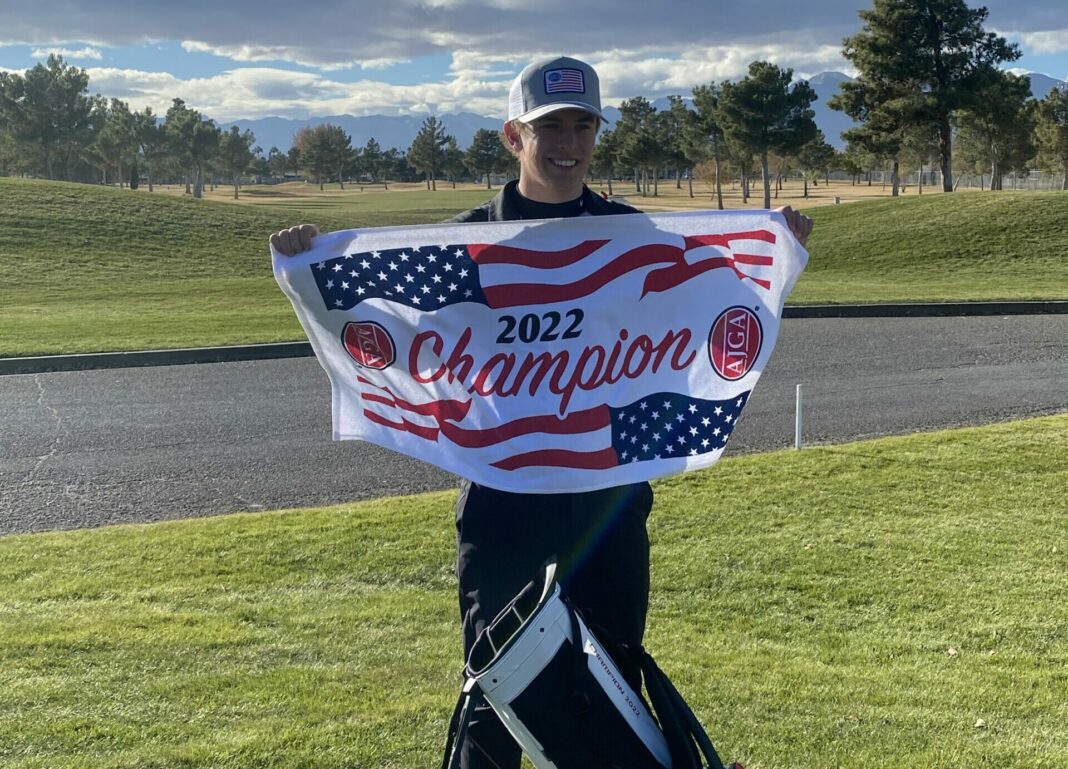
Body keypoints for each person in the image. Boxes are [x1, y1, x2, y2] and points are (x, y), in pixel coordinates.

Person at [271, 55, 812, 769]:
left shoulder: (632, 238)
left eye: (582, 124)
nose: (569, 142)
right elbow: (386, 320)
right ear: (512, 136)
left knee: (612, 687)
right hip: (503, 502)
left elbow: (710, 285)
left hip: (607, 502)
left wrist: (781, 246)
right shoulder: (467, 246)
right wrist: (312, 269)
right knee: (494, 689)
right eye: (550, 125)